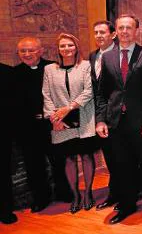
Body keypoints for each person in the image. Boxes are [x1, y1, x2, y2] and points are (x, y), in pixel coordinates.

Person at [95, 14, 142, 224]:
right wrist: (100, 120)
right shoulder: (107, 58)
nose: (125, 31)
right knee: (123, 168)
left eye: (129, 28)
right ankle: (127, 206)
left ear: (136, 31)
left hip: (141, 123)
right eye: (121, 27)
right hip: (116, 123)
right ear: (116, 31)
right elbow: (101, 93)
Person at [14, 37, 72, 212]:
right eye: (23, 51)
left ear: (40, 51)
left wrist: (59, 119)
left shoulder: (53, 68)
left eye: (31, 50)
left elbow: (62, 95)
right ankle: (41, 198)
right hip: (28, 127)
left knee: (58, 160)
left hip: (51, 123)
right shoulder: (14, 73)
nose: (27, 54)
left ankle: (64, 192)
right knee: (34, 165)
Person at [42, 33, 98, 214]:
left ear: (76, 47)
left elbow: (90, 91)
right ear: (57, 49)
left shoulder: (86, 66)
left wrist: (69, 108)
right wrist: (54, 118)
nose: (66, 49)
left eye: (70, 45)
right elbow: (46, 95)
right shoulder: (50, 69)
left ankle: (88, 193)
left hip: (84, 117)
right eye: (63, 46)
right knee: (68, 158)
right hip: (60, 122)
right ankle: (75, 195)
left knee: (87, 156)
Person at [88, 20, 120, 211]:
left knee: (123, 158)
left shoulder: (122, 55)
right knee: (110, 158)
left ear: (113, 34)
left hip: (120, 116)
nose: (99, 36)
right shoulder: (92, 57)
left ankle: (126, 194)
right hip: (101, 117)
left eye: (102, 32)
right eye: (96, 33)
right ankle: (114, 194)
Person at [0, 62, 17, 224]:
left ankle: (5, 210)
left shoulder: (6, 72)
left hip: (3, 131)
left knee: (3, 172)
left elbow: (14, 104)